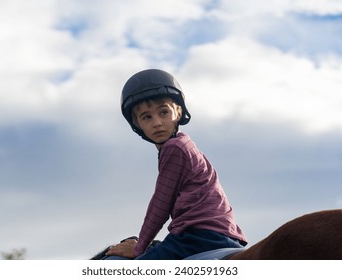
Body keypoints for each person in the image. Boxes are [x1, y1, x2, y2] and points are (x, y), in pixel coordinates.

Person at [106, 69, 247, 260]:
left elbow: (160, 204)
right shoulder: (185, 144)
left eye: (163, 112)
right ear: (137, 124)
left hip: (198, 236)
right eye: (146, 117)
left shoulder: (174, 148)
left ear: (178, 112)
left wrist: (139, 248)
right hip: (218, 232)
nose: (157, 123)